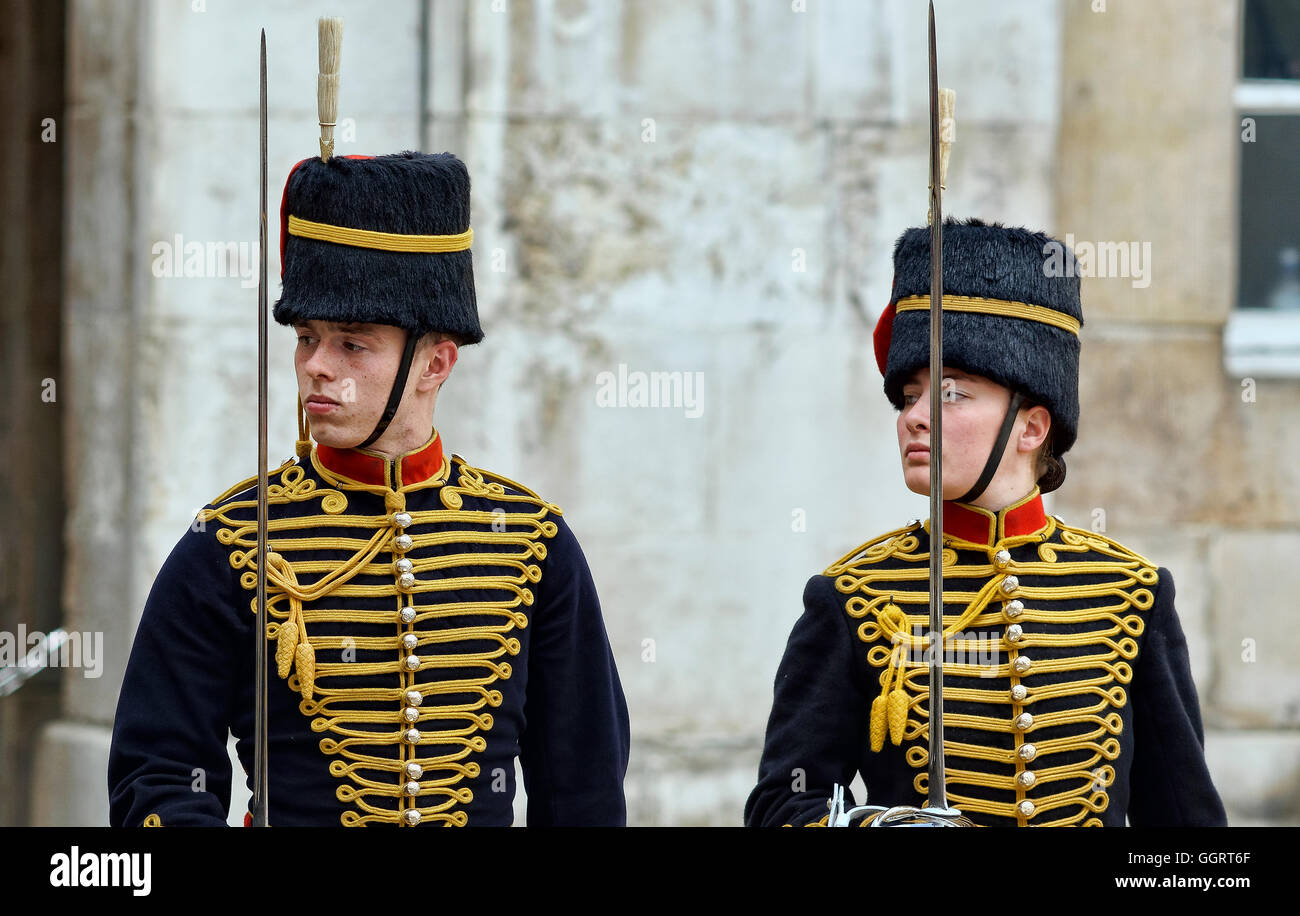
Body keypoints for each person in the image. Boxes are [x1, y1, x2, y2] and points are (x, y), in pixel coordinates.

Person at [108, 150, 630, 826]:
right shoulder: (231, 543)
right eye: (306, 338)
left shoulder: (532, 543)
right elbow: (159, 778)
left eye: (352, 344)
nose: (316, 368)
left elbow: (584, 793)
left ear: (434, 363)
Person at [744, 219, 1226, 827]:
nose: (914, 418)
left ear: (1031, 428)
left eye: (949, 393)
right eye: (908, 396)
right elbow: (782, 804)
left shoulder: (1131, 594)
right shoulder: (853, 598)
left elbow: (1191, 833)